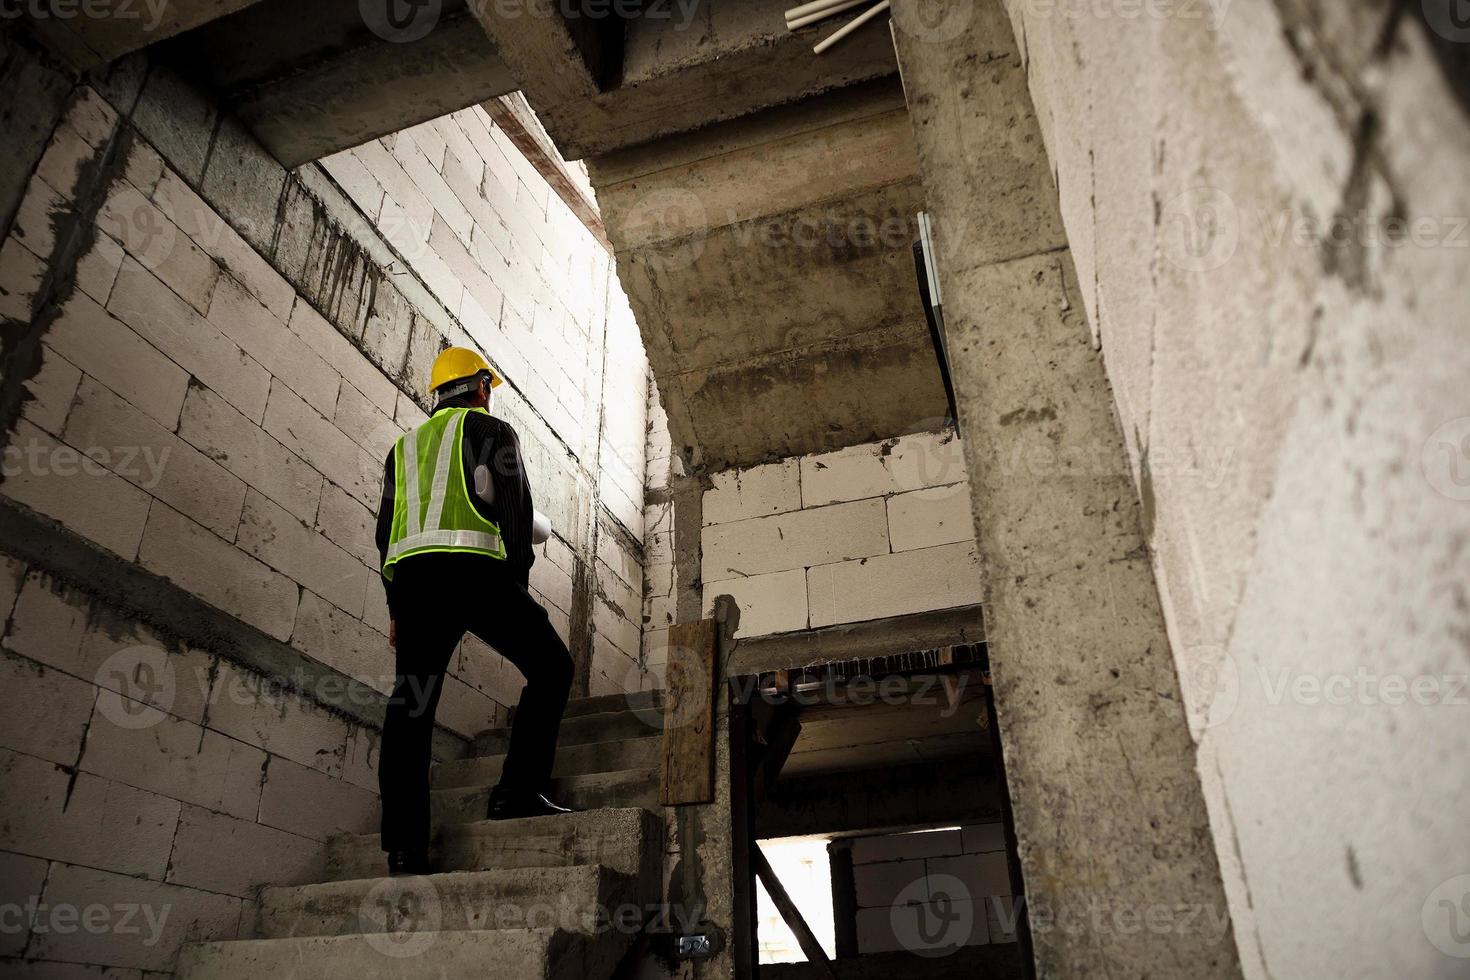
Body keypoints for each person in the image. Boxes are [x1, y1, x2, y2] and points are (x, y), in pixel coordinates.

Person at [374, 346, 574, 876]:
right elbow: (515, 512)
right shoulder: (493, 433)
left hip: (414, 584)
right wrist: (518, 586)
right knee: (553, 668)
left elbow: (385, 534)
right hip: (476, 573)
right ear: (481, 387)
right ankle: (516, 793)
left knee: (410, 708)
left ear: (439, 393)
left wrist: (396, 606)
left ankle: (403, 847)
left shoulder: (403, 448)